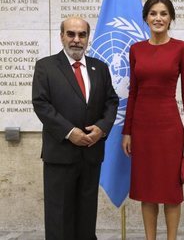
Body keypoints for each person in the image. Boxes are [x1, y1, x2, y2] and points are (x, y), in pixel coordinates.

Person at [32, 16, 119, 240]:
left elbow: (111, 101)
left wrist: (102, 128)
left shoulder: (100, 68)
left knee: (86, 216)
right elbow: (41, 104)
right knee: (59, 216)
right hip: (60, 154)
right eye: (71, 34)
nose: (76, 40)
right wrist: (71, 132)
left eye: (82, 35)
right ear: (62, 36)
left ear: (88, 38)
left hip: (91, 154)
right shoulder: (46, 66)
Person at [122, 0, 184, 240]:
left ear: (171, 18)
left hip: (169, 128)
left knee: (171, 191)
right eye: (153, 13)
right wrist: (127, 131)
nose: (158, 18)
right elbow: (133, 93)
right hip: (142, 129)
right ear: (145, 18)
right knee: (148, 190)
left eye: (164, 13)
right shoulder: (136, 50)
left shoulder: (182, 48)